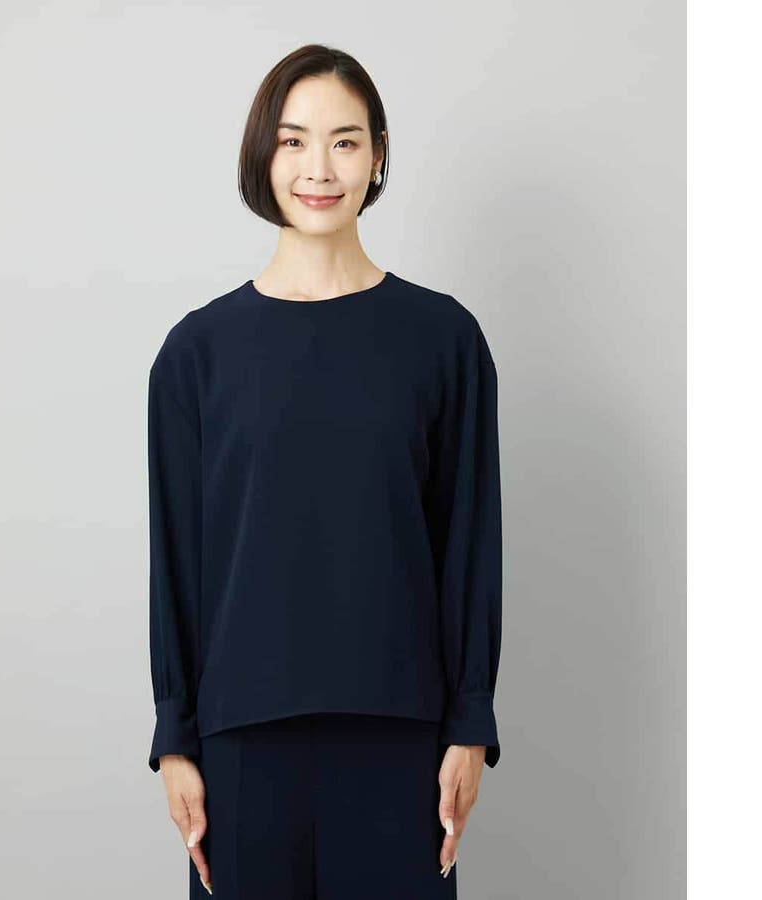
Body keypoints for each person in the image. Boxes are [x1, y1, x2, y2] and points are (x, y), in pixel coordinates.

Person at [146, 43, 503, 899]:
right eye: (293, 140)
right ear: (261, 154)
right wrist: (174, 736)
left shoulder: (443, 341)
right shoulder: (197, 354)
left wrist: (470, 722)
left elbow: (469, 543)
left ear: (378, 155)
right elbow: (177, 559)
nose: (319, 168)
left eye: (345, 141)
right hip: (241, 741)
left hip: (401, 736)